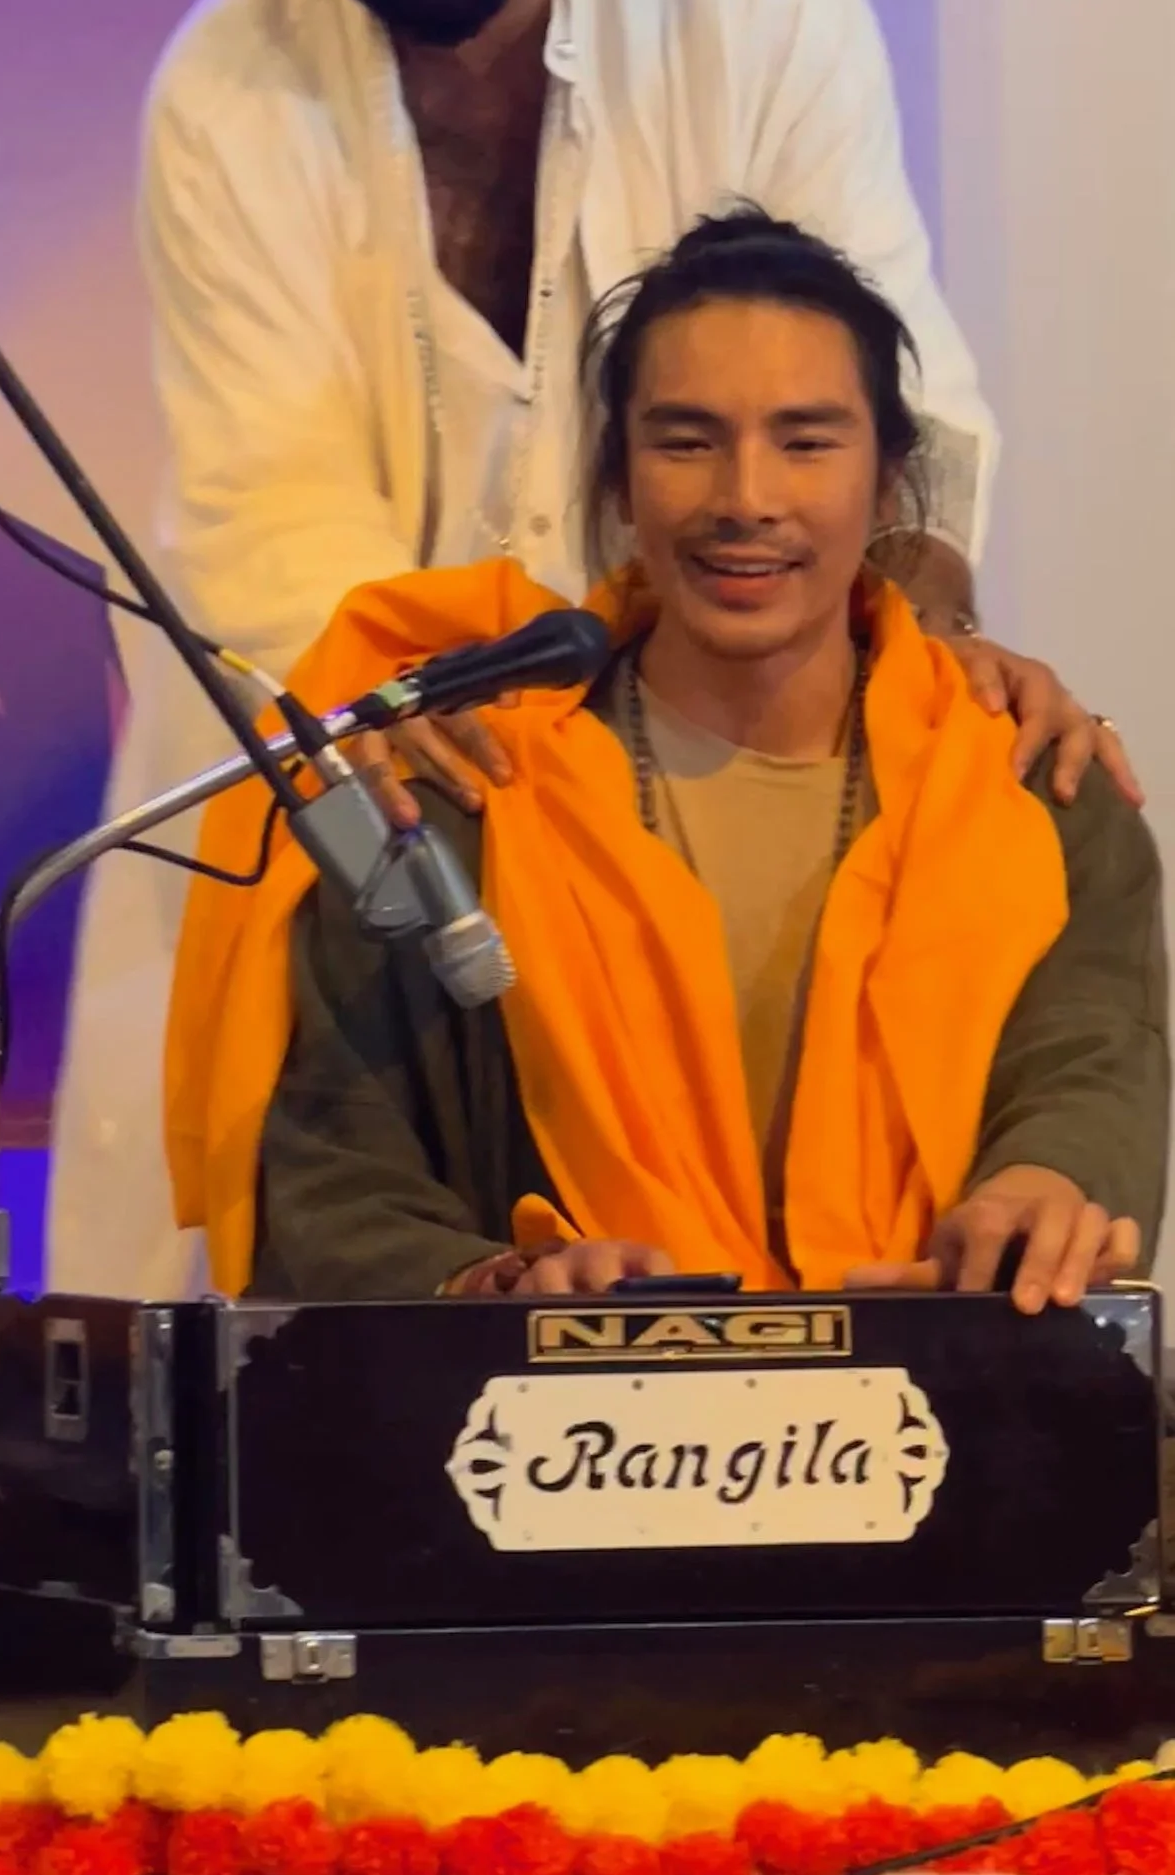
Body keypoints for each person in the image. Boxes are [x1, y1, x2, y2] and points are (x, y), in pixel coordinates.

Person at [47, 0, 1132, 1298]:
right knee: (336, 1228)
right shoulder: (227, 90)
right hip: (392, 729)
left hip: (735, 684)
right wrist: (444, 744)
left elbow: (859, 358)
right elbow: (273, 502)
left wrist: (935, 658)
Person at [161, 214, 1167, 1307]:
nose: (744, 497)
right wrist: (494, 1288)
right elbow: (331, 1159)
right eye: (685, 441)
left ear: (888, 487)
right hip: (537, 1445)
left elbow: (1092, 1059)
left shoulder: (1033, 787)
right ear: (616, 482)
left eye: (806, 440)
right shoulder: (456, 787)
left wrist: (1041, 1187)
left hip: (950, 1434)